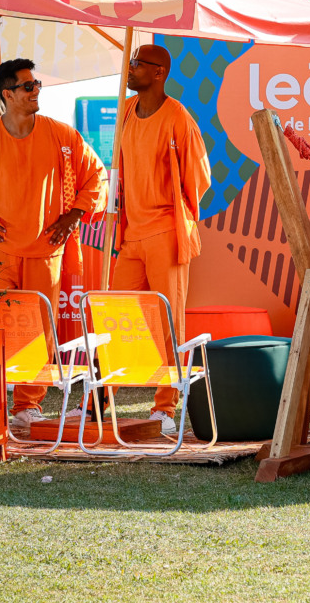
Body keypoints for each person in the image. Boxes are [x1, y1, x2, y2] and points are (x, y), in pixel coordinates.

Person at [0, 58, 107, 433]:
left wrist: (74, 215)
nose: (36, 91)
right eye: (28, 86)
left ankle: (28, 406)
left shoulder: (62, 135)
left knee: (38, 331)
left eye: (37, 83)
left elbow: (97, 176)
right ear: (7, 95)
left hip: (46, 252)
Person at [111, 44, 211, 435]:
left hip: (166, 232)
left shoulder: (178, 118)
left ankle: (165, 409)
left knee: (169, 322)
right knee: (117, 315)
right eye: (130, 62)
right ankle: (103, 399)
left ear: (158, 73)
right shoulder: (125, 112)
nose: (129, 69)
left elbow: (198, 179)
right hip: (131, 233)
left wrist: (173, 213)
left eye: (136, 64)